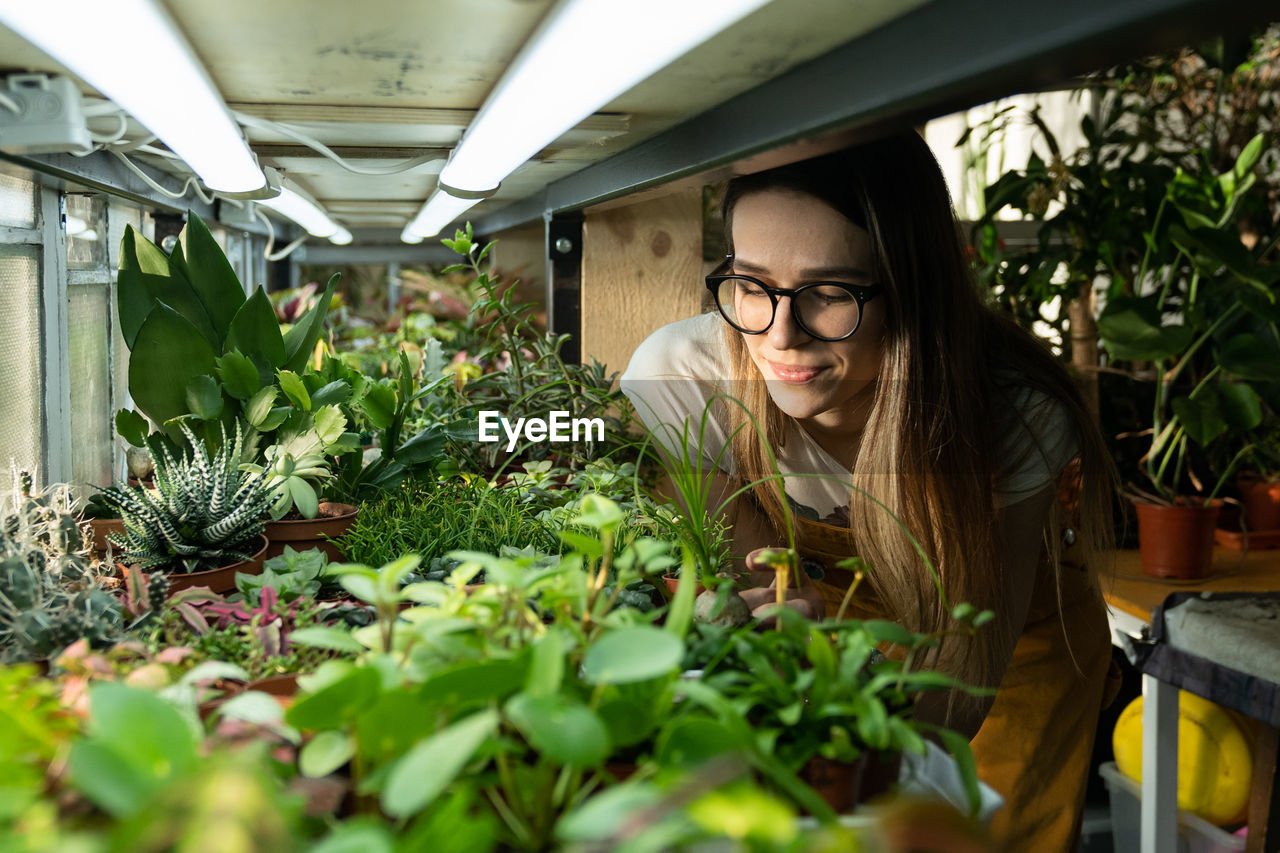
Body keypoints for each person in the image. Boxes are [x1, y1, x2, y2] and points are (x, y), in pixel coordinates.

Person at [620, 130, 1123, 852]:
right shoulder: (686, 379)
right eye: (751, 284)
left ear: (909, 286)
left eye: (829, 293)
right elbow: (774, 608)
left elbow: (961, 675)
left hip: (1002, 660)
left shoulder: (1011, 413)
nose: (780, 333)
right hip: (844, 632)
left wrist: (851, 780)